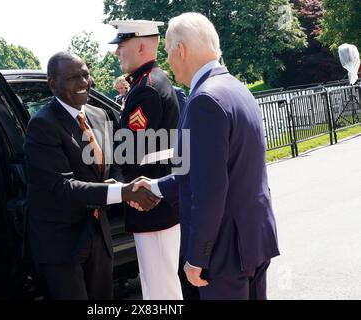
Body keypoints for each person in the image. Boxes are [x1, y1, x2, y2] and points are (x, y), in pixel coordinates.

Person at [131, 12, 280, 300]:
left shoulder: (204, 100)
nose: (168, 62)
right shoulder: (236, 88)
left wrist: (198, 256)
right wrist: (155, 186)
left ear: (181, 50)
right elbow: (210, 172)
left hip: (225, 253)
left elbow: (209, 190)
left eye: (168, 52)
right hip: (252, 240)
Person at [23, 52, 160, 300]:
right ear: (53, 83)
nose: (84, 82)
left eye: (85, 74)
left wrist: (120, 184)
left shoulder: (99, 115)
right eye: (74, 77)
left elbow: (114, 163)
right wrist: (121, 192)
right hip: (60, 241)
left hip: (98, 233)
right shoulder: (43, 125)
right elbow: (63, 186)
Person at [109, 20, 183, 300]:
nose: (117, 52)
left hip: (150, 200)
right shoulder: (149, 82)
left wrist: (119, 184)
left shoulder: (146, 88)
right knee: (159, 282)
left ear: (140, 45)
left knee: (160, 288)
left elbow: (129, 150)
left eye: (121, 45)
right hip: (155, 198)